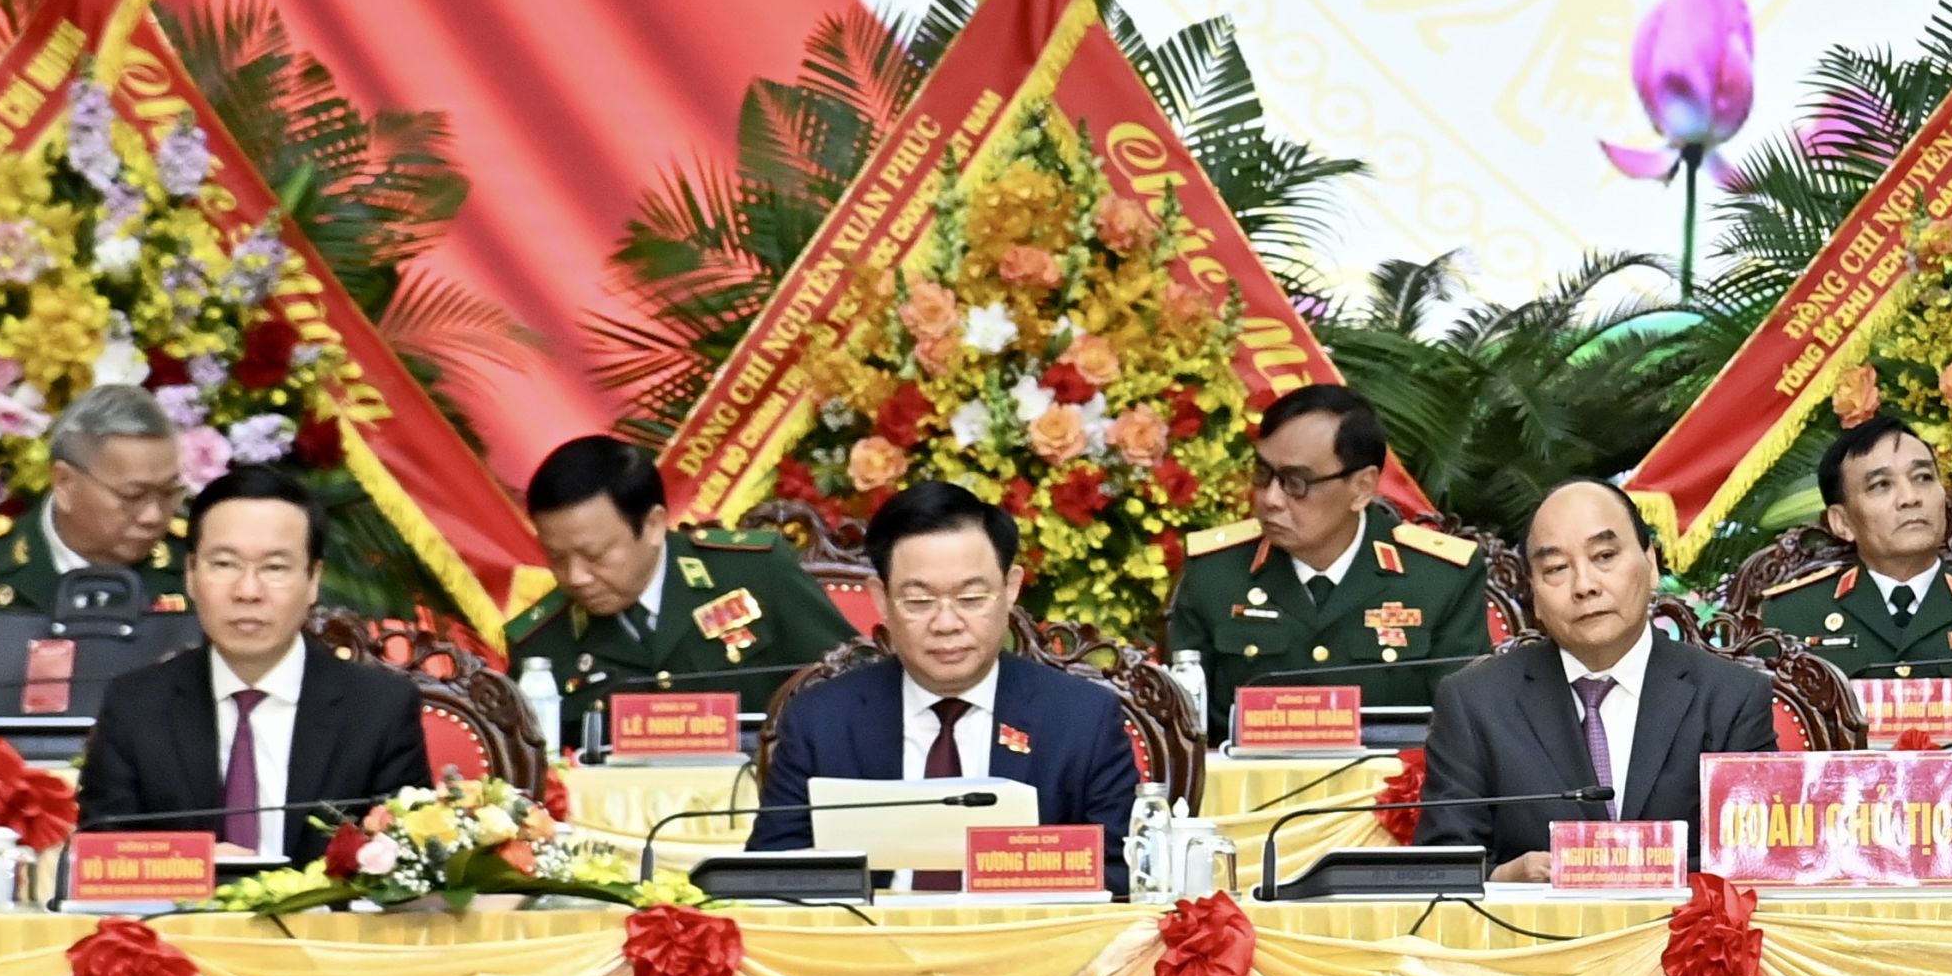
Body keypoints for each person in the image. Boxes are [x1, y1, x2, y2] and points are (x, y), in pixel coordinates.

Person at [750, 482, 1142, 880]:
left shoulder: (1082, 719)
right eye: (919, 601)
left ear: (1010, 589)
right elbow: (767, 876)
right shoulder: (822, 720)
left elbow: (1122, 874)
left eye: (971, 598)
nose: (946, 624)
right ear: (881, 599)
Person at [1420, 477, 1779, 880]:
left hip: (1684, 921)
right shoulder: (1475, 703)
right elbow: (1440, 868)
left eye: (1604, 556)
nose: (1585, 586)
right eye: (1556, 568)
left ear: (1651, 564)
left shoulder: (1731, 697)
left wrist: (1612, 872)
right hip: (1534, 921)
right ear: (1534, 594)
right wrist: (1504, 878)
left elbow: (1758, 860)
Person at [74, 464, 428, 865]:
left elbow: (406, 863)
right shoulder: (136, 705)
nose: (247, 591)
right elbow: (100, 858)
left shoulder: (379, 709)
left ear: (313, 579)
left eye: (275, 568)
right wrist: (194, 863)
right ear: (191, 574)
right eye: (225, 564)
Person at [1167, 384, 1502, 716]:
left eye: (1295, 482)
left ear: (1362, 487)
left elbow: (1463, 724)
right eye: (1263, 473)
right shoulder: (1215, 573)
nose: (1270, 499)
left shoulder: (1439, 579)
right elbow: (1181, 725)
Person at [505, 434, 859, 706]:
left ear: (654, 525)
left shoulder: (757, 573)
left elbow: (853, 684)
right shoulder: (541, 643)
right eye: (556, 558)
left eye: (595, 555)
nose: (575, 577)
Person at [1748, 415, 1952, 705]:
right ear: (1842, 522)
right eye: (1881, 485)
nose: (1910, 498)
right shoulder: (1790, 616)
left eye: (1923, 477)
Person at [0, 385, 188, 613]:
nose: (153, 516)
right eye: (133, 496)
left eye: (169, 492)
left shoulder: (195, 563)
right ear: (65, 483)